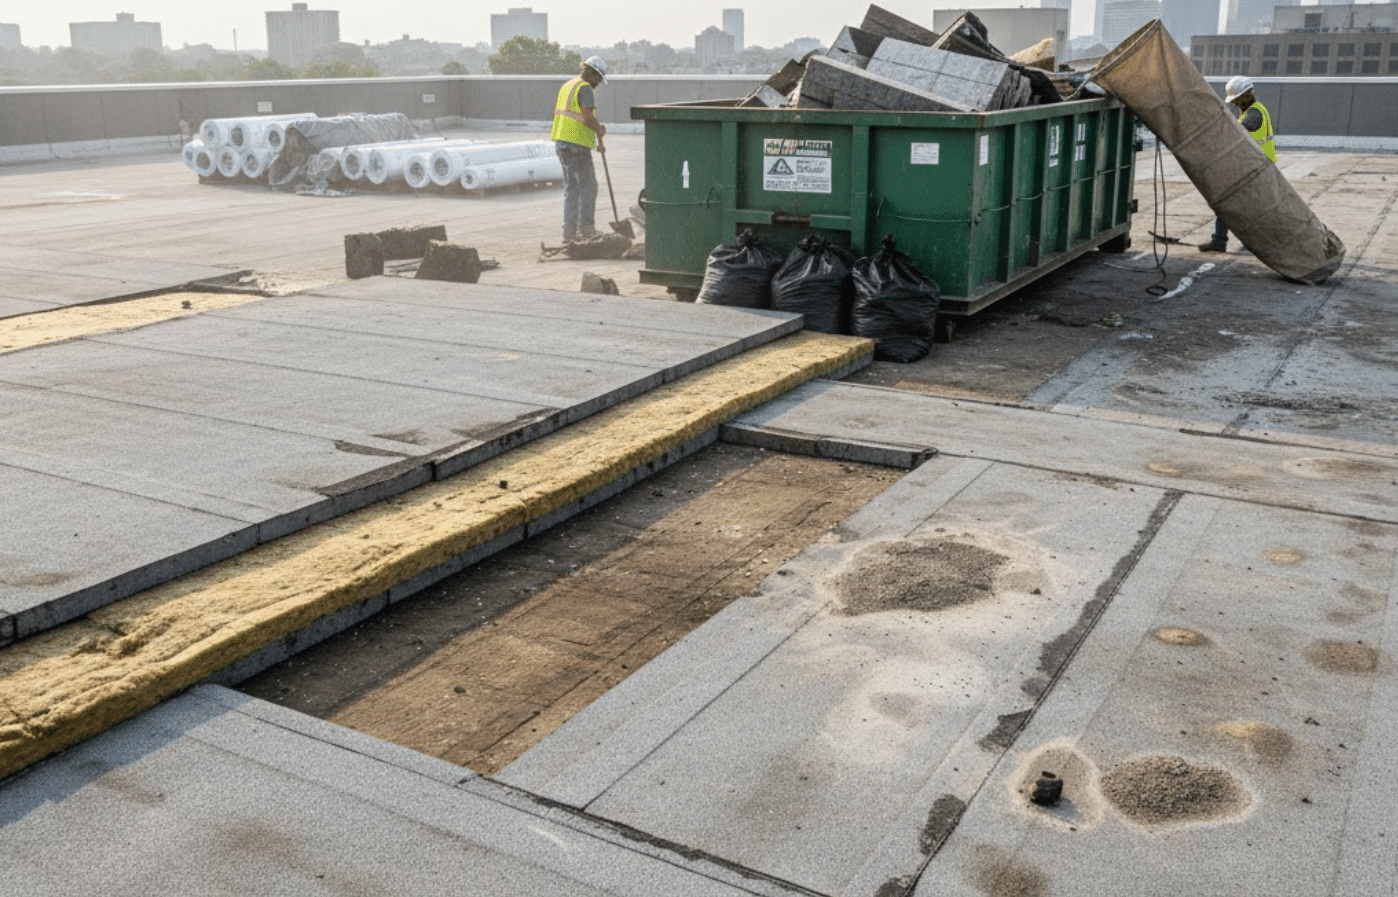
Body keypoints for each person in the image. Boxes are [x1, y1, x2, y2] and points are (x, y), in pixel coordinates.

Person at [1198, 75, 1275, 253]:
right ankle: (1223, 240)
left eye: (1236, 100)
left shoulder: (1255, 112)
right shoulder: (1249, 112)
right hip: (1251, 167)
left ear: (1247, 95)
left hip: (1257, 168)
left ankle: (1222, 241)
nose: (1234, 104)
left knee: (1230, 204)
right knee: (1233, 204)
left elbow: (1240, 131)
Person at [551, 56, 608, 244]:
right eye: (598, 79)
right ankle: (587, 230)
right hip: (576, 145)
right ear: (592, 72)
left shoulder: (568, 85)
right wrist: (599, 129)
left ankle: (569, 234)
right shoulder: (584, 88)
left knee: (572, 188)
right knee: (589, 187)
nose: (598, 84)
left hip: (562, 142)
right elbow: (587, 117)